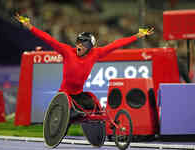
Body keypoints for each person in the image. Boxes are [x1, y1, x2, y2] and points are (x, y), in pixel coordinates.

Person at [15, 13, 154, 110]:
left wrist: (137, 35)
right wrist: (30, 27)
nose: (80, 46)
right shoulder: (66, 51)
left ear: (90, 48)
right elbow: (48, 39)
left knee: (95, 106)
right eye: (79, 42)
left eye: (85, 44)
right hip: (64, 95)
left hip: (79, 95)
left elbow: (116, 44)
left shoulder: (96, 54)